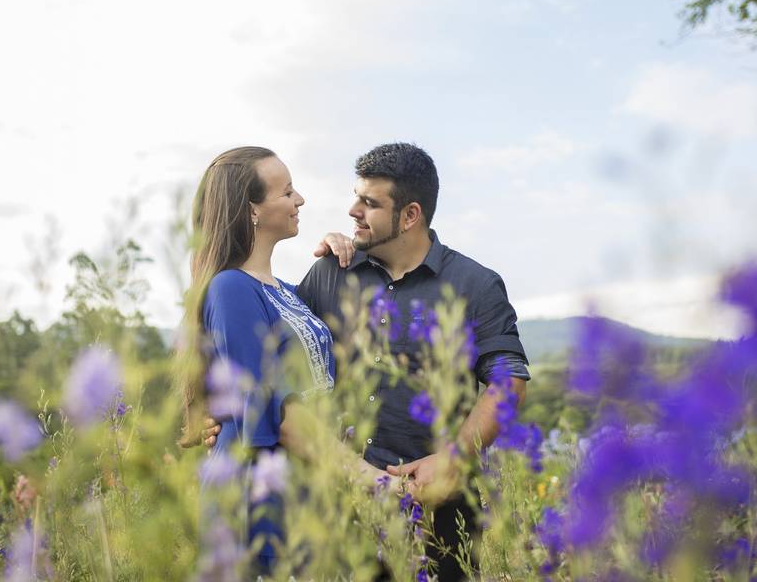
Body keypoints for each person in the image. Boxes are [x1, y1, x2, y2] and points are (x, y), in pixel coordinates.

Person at [201, 142, 531, 581]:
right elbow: (263, 353)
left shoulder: (475, 285)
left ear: (410, 215)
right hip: (335, 513)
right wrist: (220, 414)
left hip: (433, 513)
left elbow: (509, 379)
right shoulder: (330, 272)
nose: (352, 210)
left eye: (370, 203)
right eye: (356, 195)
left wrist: (453, 460)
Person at [176, 146, 382, 575]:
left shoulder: (286, 292)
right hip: (260, 503)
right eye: (286, 192)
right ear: (251, 210)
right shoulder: (230, 289)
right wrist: (372, 479)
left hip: (307, 490)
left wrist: (346, 246)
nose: (300, 200)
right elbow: (278, 411)